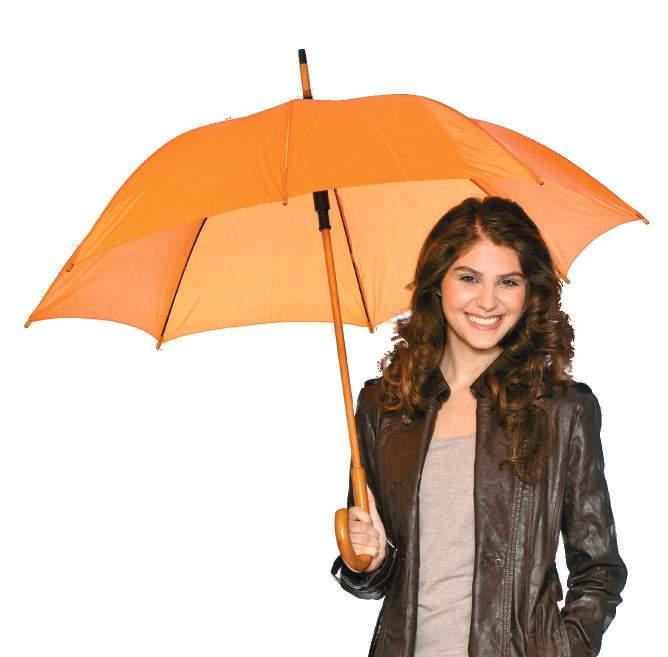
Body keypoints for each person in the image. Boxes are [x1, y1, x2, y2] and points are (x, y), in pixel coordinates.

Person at [330, 196, 628, 657]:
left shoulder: (562, 410)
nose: (488, 301)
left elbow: (598, 569)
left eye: (507, 281)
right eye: (468, 278)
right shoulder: (384, 408)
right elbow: (375, 581)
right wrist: (370, 559)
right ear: (438, 284)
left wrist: (565, 650)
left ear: (529, 291)